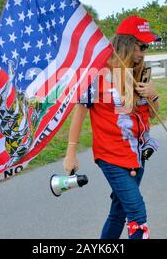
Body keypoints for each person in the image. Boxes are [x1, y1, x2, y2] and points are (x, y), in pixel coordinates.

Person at [63, 15, 160, 239]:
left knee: (119, 212)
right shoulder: (99, 73)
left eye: (147, 46)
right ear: (126, 44)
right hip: (111, 155)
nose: (144, 52)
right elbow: (80, 111)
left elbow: (152, 116)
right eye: (141, 46)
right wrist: (71, 152)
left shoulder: (140, 72)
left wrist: (153, 95)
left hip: (138, 154)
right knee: (137, 213)